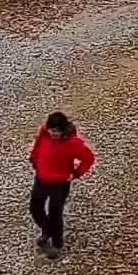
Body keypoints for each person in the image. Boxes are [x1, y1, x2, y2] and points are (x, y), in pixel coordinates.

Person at [28, 111, 95, 260]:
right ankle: (47, 230)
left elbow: (89, 158)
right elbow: (38, 143)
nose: (53, 134)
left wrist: (76, 173)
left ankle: (57, 245)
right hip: (41, 178)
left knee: (54, 213)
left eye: (56, 132)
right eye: (51, 131)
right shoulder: (44, 132)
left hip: (60, 182)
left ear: (63, 129)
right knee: (35, 208)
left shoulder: (73, 143)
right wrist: (34, 157)